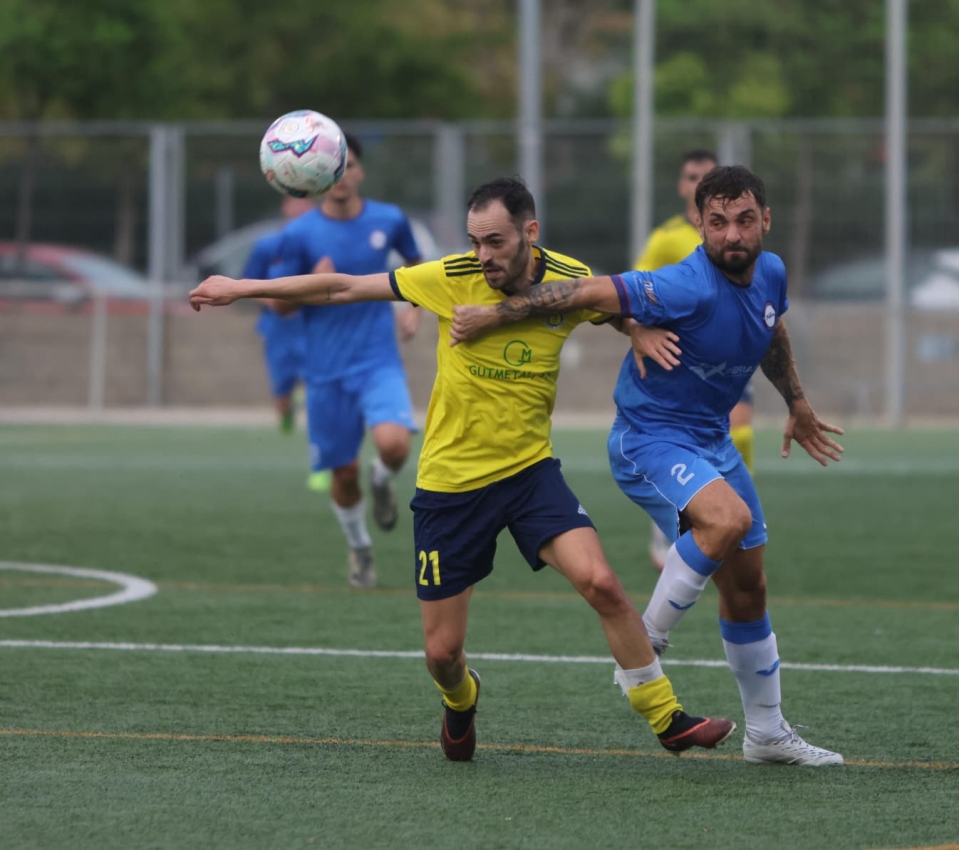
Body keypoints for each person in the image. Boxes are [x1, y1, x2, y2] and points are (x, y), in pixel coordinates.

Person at [189, 177, 736, 762]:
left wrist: (637, 327)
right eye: (476, 241)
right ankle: (461, 700)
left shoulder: (567, 276)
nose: (483, 255)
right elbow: (342, 287)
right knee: (442, 655)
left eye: (495, 241)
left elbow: (607, 304)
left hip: (529, 475)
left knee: (602, 583)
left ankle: (666, 718)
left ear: (530, 233)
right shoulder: (450, 278)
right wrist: (242, 286)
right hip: (450, 486)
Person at [448, 165, 846, 766]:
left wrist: (796, 400)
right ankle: (647, 643)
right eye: (717, 223)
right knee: (726, 521)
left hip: (709, 438)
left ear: (765, 220)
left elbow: (770, 327)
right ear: (699, 224)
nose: (731, 235)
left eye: (743, 220)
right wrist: (494, 314)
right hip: (649, 438)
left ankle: (766, 733)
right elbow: (585, 294)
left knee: (748, 586)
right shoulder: (684, 284)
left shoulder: (770, 272)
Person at [269, 132, 424, 589]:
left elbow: (418, 269)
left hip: (378, 361)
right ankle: (359, 548)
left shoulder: (389, 220)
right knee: (343, 472)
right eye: (332, 168)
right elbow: (279, 306)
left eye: (349, 165)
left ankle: (383, 481)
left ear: (359, 171)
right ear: (316, 176)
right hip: (324, 372)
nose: (341, 176)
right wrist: (307, 285)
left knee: (395, 445)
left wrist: (412, 309)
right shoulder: (299, 234)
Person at [635, 150, 756, 569]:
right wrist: (640, 330)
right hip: (684, 362)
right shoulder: (667, 237)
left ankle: (728, 519)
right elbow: (634, 290)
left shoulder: (736, 231)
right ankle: (675, 519)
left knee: (739, 434)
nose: (697, 182)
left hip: (734, 353)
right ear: (682, 186)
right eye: (691, 176)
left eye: (705, 175)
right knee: (685, 441)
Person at [241, 196, 331, 494]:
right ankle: (286, 411)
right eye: (296, 203)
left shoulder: (322, 243)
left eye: (307, 204)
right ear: (284, 206)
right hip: (278, 330)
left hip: (311, 329)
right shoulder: (268, 245)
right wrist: (276, 300)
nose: (301, 209)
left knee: (317, 395)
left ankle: (320, 465)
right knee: (282, 397)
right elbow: (247, 284)